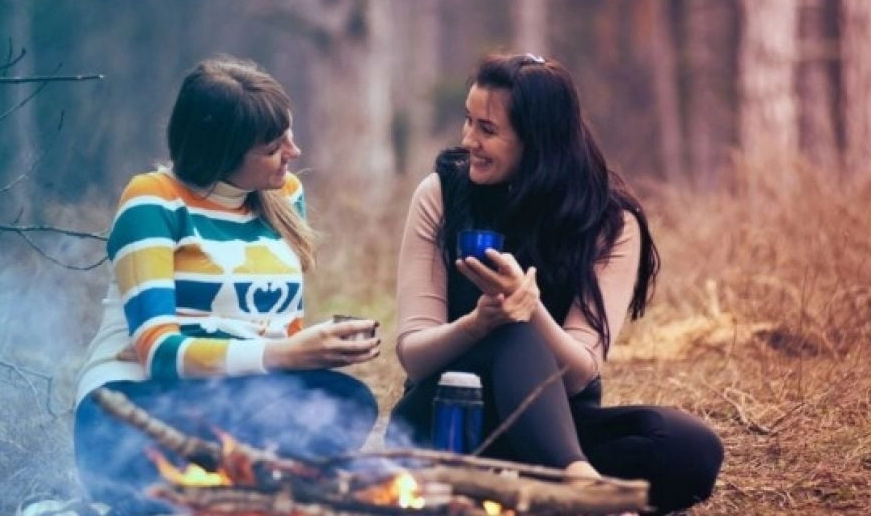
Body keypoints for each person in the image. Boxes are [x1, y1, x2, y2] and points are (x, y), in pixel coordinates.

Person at [385, 53, 723, 514]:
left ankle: (543, 487)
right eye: (469, 121)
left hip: (553, 424)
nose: (469, 140)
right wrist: (479, 324)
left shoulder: (610, 220)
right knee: (509, 332)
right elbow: (416, 356)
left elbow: (582, 369)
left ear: (537, 140)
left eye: (487, 129)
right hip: (446, 422)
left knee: (690, 446)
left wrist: (532, 309)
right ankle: (577, 485)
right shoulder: (442, 195)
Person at [73, 55, 381, 512]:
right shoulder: (153, 200)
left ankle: (241, 490)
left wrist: (311, 350)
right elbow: (159, 354)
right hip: (133, 406)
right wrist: (282, 354)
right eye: (274, 146)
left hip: (232, 397)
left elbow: (280, 328)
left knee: (346, 399)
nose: (293, 153)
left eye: (289, 135)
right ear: (221, 152)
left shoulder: (284, 195)